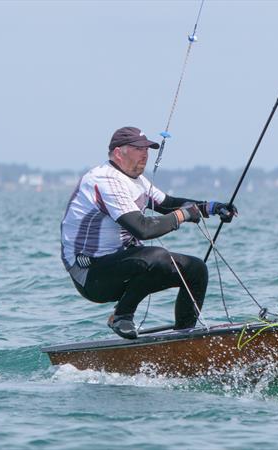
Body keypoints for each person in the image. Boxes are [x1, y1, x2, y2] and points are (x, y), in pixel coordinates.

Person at [60, 126, 236, 339]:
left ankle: (184, 336)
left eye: (148, 149)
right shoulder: (104, 180)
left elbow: (168, 204)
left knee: (195, 269)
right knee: (156, 256)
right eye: (138, 149)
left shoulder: (136, 180)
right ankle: (122, 316)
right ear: (119, 152)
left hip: (126, 264)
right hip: (91, 274)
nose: (145, 154)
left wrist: (211, 207)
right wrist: (185, 215)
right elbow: (142, 229)